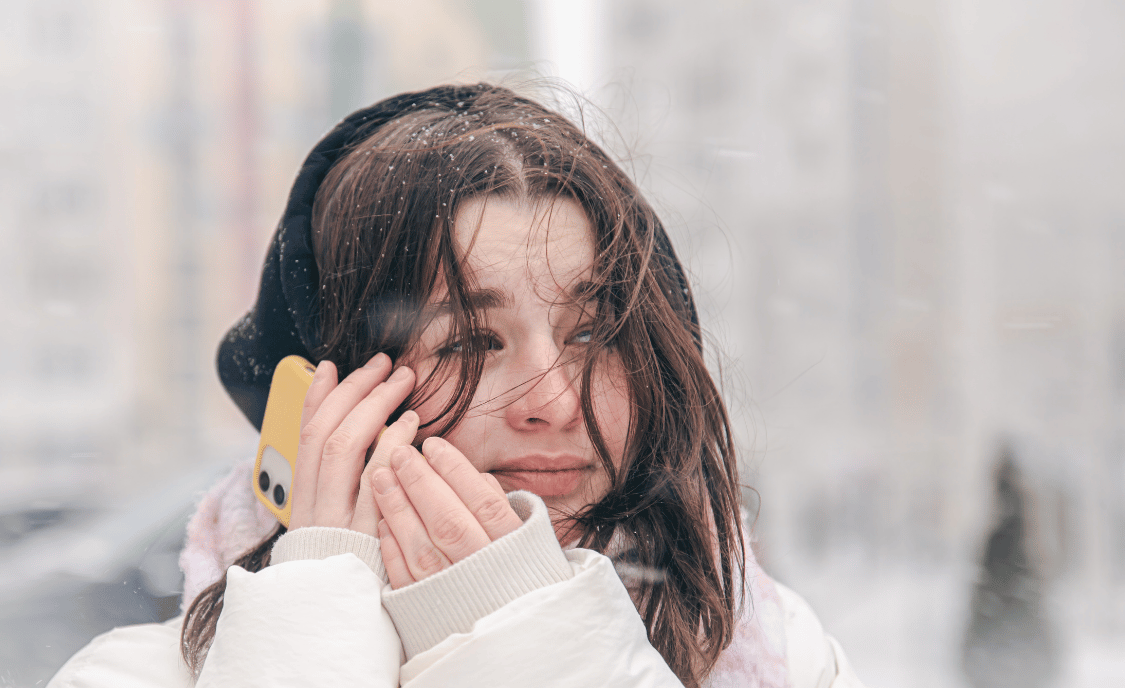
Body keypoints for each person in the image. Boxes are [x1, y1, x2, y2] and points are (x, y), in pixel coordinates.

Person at [49, 83, 864, 688]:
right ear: (325, 406)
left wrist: (530, 635)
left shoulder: (775, 655)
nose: (554, 402)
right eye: (473, 340)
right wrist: (309, 623)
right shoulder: (131, 677)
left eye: (594, 332)